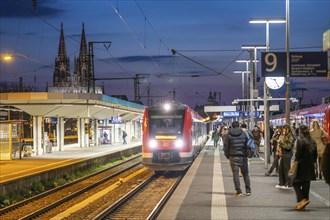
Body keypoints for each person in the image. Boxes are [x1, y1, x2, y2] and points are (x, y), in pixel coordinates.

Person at [292, 125, 317, 211]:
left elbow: (298, 154)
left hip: (301, 165)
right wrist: (313, 162)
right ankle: (303, 204)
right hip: (309, 166)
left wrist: (296, 160)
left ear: (300, 132)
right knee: (306, 185)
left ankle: (303, 200)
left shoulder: (300, 140)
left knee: (295, 183)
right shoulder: (313, 141)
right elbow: (315, 155)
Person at [224, 121, 251, 197]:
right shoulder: (244, 134)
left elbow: (226, 147)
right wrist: (246, 155)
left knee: (235, 174)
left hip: (233, 157)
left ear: (232, 126)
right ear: (239, 126)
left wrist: (228, 156)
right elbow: (247, 145)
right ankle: (248, 190)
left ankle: (238, 191)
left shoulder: (228, 135)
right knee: (245, 174)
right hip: (243, 156)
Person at [275, 124, 295, 189]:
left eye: (284, 130)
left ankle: (289, 184)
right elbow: (275, 138)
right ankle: (282, 183)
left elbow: (288, 146)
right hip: (284, 153)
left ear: (287, 129)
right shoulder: (285, 135)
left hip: (288, 153)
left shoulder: (290, 136)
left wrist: (281, 143)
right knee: (281, 169)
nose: (283, 131)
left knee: (286, 168)